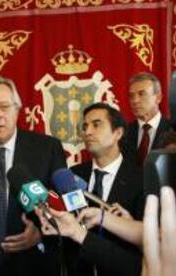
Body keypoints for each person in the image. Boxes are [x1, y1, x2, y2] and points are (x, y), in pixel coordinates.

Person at [0, 75, 67, 276]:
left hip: (32, 265)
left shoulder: (47, 148)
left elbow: (63, 207)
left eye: (5, 106)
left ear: (17, 110)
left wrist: (41, 233)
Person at [67, 102, 144, 275]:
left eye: (96, 124)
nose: (87, 132)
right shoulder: (73, 175)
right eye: (85, 126)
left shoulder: (141, 179)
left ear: (118, 133)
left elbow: (151, 241)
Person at [123, 72, 171, 166]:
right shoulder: (123, 132)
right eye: (131, 96)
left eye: (141, 94)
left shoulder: (175, 131)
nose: (135, 100)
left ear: (158, 98)